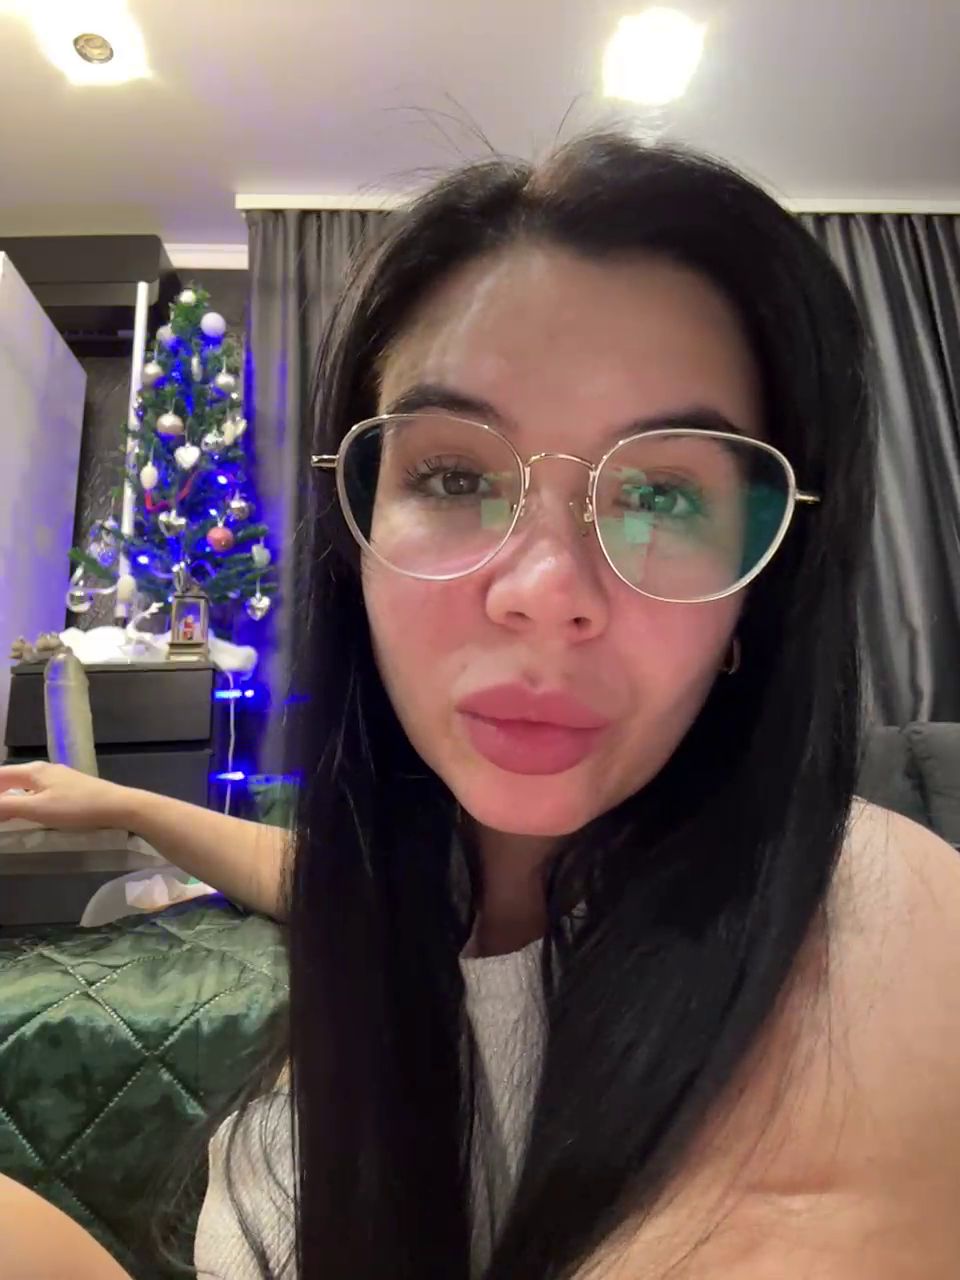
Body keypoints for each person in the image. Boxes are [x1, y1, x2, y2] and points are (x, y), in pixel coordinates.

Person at [1, 130, 960, 1280]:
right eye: (455, 476)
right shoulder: (413, 870)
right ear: (355, 531)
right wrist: (122, 804)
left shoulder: (881, 919)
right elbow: (325, 875)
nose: (544, 590)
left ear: (760, 590)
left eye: (662, 493)